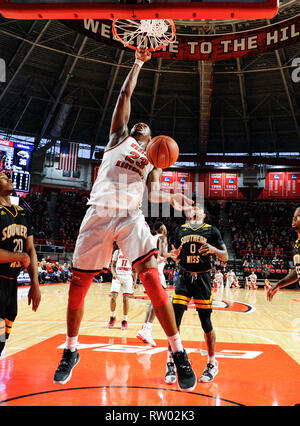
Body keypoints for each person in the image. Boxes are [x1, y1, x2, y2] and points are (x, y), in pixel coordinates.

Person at [53, 48, 197, 392]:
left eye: (147, 127)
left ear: (152, 141)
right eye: (139, 123)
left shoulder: (150, 162)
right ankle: (71, 351)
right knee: (78, 287)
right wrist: (138, 62)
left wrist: (173, 198)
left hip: (130, 218)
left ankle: (178, 352)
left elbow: (154, 195)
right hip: (100, 214)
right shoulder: (119, 137)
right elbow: (125, 94)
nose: (141, 123)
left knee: (151, 278)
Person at [165, 203, 228, 385]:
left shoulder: (212, 231)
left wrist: (214, 249)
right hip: (184, 277)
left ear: (204, 214)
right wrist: (172, 255)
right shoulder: (180, 230)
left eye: (198, 207)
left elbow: (225, 256)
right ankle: (171, 361)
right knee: (173, 322)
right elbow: (176, 254)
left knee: (205, 323)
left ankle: (211, 363)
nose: (195, 208)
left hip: (202, 279)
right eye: (192, 207)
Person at [0, 171, 41, 357]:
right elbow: (25, 254)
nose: (9, 178)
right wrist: (19, 256)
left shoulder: (23, 213)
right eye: (2, 176)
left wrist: (35, 283)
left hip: (11, 285)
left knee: (2, 339)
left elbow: (31, 249)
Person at [136, 222, 171, 347]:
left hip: (148, 271)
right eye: (165, 227)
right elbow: (162, 254)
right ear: (161, 228)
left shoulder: (151, 238)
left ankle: (145, 329)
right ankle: (146, 329)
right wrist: (174, 254)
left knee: (154, 301)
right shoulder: (162, 237)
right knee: (158, 302)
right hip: (157, 270)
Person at [267, 207, 300, 301]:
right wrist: (279, 284)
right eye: (293, 216)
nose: (294, 219)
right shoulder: (297, 243)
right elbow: (298, 272)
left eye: (298, 216)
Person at [108, 246, 137, 331]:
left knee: (125, 299)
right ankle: (112, 317)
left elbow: (135, 269)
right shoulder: (117, 252)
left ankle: (125, 320)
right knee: (113, 298)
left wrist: (135, 282)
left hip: (128, 277)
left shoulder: (132, 253)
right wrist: (113, 273)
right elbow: (112, 265)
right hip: (117, 276)